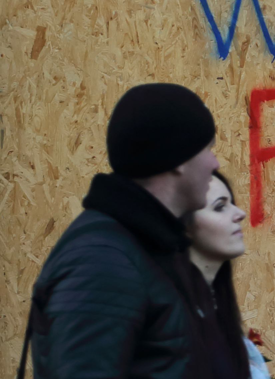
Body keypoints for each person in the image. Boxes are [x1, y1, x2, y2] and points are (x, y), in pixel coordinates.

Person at [19, 83, 220, 379]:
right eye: (208, 149)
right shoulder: (103, 264)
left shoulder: (147, 246)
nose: (215, 164)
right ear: (178, 159)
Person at [184, 171, 270, 379]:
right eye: (220, 206)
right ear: (183, 227)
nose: (240, 213)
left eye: (231, 203)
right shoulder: (172, 319)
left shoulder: (214, 307)